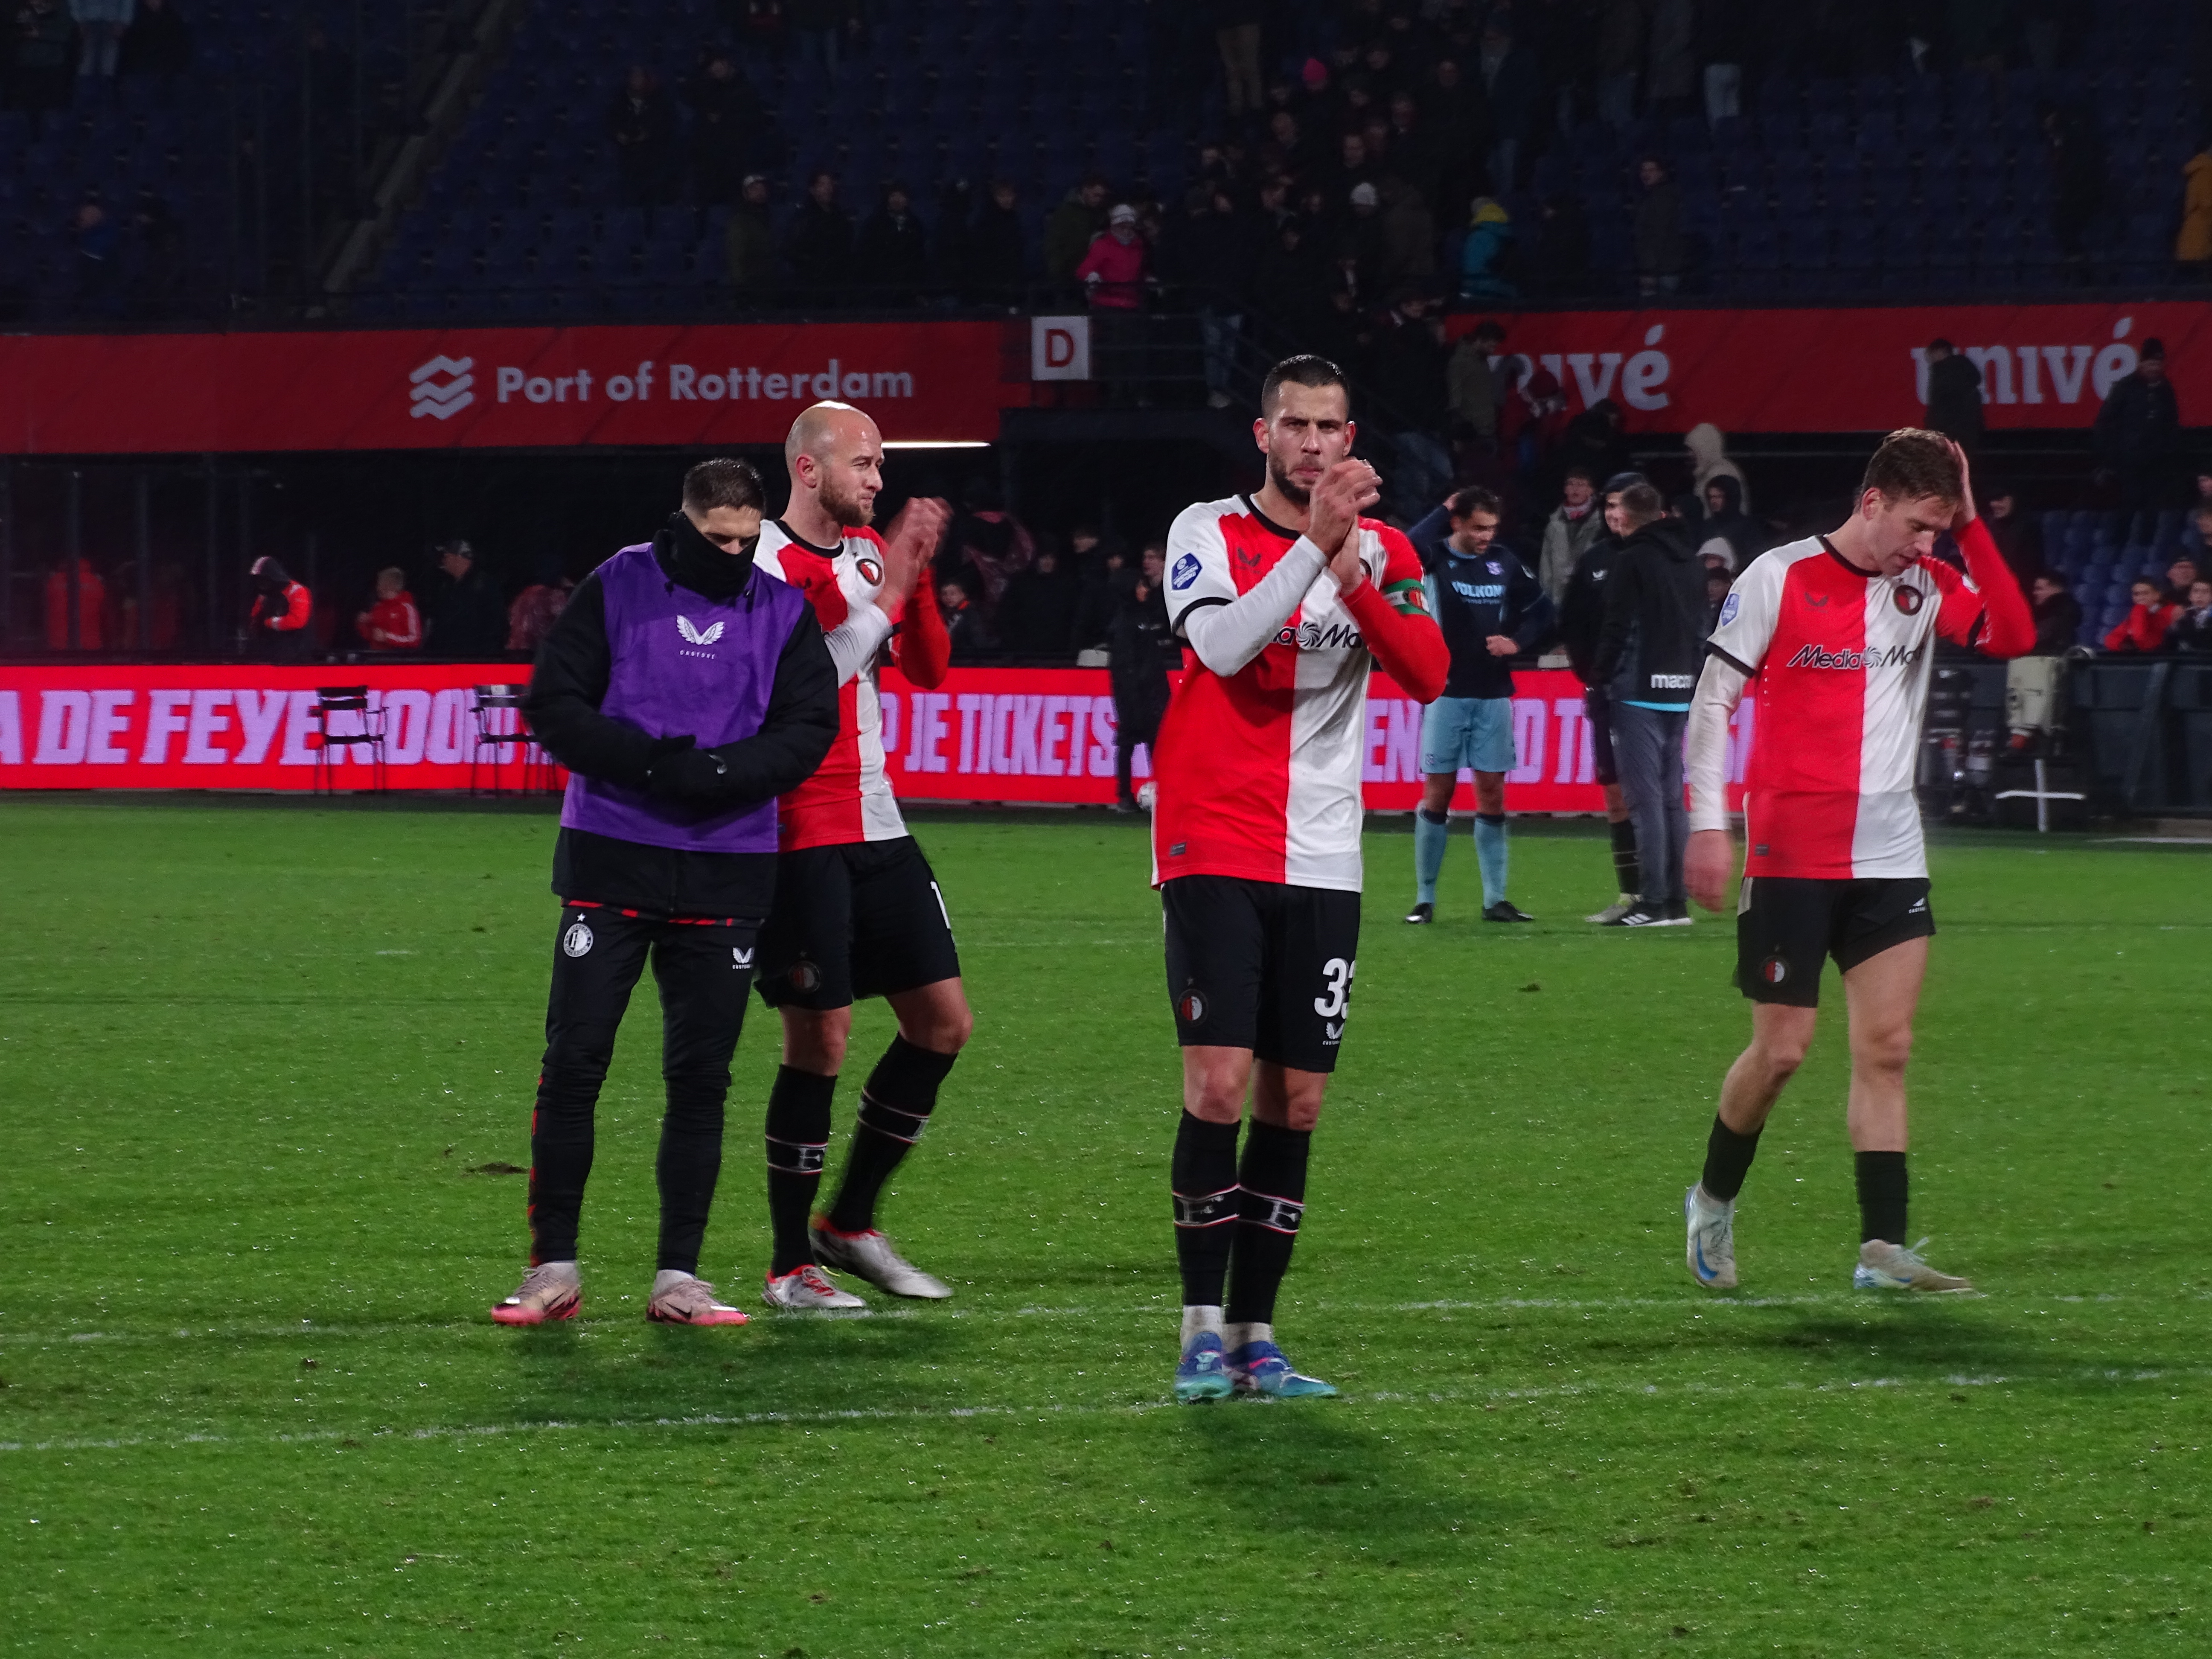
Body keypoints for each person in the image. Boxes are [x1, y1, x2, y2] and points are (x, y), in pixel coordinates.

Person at [1154, 355, 1448, 1403]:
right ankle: (1198, 1329)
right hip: (1212, 838)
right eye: (1294, 425)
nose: (1313, 443)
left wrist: (1354, 570)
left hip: (1323, 850)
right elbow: (1226, 647)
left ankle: (1256, 1335)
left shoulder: (1389, 549)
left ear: (1350, 433)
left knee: (1298, 1100)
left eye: (1329, 426)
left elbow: (1426, 671)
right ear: (1262, 435)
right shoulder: (1204, 531)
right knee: (1219, 1086)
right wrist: (1315, 549)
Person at [1679, 431, 2033, 1298]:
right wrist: (1707, 825)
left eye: (1939, 534)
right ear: (1872, 501)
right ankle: (1712, 1202)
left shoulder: (1928, 582)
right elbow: (1711, 704)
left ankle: (1882, 1249)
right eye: (1919, 525)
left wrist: (1971, 526)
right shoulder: (1780, 576)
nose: (1926, 546)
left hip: (1891, 854)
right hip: (1792, 852)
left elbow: (2016, 632)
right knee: (1784, 1053)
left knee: (1890, 1047)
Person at [495, 458, 839, 1328]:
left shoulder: (782, 612)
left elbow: (808, 729)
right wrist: (653, 763)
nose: (731, 552)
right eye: (716, 538)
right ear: (683, 523)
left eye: (745, 539)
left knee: (701, 1080)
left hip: (729, 870)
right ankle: (553, 1270)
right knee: (575, 1065)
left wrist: (720, 771)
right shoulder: (620, 585)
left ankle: (678, 1279)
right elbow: (554, 703)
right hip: (613, 859)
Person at [750, 402, 969, 1311]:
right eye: (865, 465)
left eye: (882, 467)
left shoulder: (873, 552)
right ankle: (788, 1262)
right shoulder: (762, 563)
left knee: (942, 1025)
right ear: (809, 470)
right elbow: (800, 686)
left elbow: (929, 671)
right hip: (796, 826)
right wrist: (884, 597)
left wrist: (913, 582)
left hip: (879, 818)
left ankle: (850, 1223)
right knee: (823, 1038)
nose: (878, 481)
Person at [1403, 486, 1552, 926]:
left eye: (1492, 527)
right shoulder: (1434, 557)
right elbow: (1406, 548)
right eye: (1478, 527)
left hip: (1492, 695)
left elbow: (1543, 611)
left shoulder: (1504, 563)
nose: (1487, 535)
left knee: (1491, 793)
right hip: (1445, 692)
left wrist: (1517, 641)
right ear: (1458, 523)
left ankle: (1495, 900)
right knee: (1439, 793)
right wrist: (1441, 509)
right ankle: (1424, 899)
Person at [1592, 481, 1705, 928]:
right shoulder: (1694, 564)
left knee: (1645, 801)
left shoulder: (1632, 560)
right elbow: (1702, 627)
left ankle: (1654, 900)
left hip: (1637, 689)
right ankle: (1676, 903)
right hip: (1681, 690)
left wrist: (1600, 677)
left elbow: (1617, 627)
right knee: (1674, 799)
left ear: (1631, 516)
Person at [1559, 474, 1648, 923]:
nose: (1616, 514)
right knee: (1615, 793)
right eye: (1610, 505)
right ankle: (1632, 894)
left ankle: (1662, 894)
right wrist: (1589, 674)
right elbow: (1571, 620)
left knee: (1652, 793)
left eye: (1623, 506)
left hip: (1651, 693)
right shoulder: (1595, 560)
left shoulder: (1659, 558)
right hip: (1606, 694)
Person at [1107, 544, 1175, 811]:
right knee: (1129, 741)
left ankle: (1161, 791)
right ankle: (1124, 795)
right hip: (1135, 696)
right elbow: (1125, 666)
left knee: (1154, 743)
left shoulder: (1144, 617)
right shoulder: (1126, 623)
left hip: (1152, 693)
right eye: (1140, 586)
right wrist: (1133, 697)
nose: (1145, 589)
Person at [2094, 338, 2183, 511]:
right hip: (2128, 465)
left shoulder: (2165, 390)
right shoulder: (2125, 387)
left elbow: (2172, 422)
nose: (2154, 369)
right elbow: (2105, 422)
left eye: (2157, 364)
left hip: (2156, 464)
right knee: (2129, 507)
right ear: (2141, 364)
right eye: (2150, 364)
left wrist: (2168, 449)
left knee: (2152, 510)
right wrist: (2111, 457)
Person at [605, 66, 678, 207]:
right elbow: (610, 124)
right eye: (634, 77)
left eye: (639, 77)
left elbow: (667, 126)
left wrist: (649, 135)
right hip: (629, 163)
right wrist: (618, 135)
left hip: (656, 163)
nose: (636, 81)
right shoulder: (620, 101)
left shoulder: (659, 100)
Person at [995, 542, 1079, 661]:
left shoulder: (1067, 584)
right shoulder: (1021, 582)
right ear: (1037, 559)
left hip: (1057, 652)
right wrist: (1014, 642)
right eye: (1044, 557)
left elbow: (1074, 617)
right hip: (1025, 651)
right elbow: (1005, 614)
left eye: (1051, 558)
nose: (1048, 562)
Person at [425, 539, 506, 658]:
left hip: (474, 659)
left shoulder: (485, 586)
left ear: (459, 558)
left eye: (446, 556)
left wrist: (486, 657)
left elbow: (495, 625)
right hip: (447, 659)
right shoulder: (446, 587)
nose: (443, 561)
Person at [1537, 467, 1603, 607]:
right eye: (1571, 484)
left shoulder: (1601, 524)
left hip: (1590, 598)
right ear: (1565, 489)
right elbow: (1546, 567)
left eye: (1581, 484)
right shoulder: (1554, 524)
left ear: (1591, 490)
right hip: (1559, 598)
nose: (1575, 489)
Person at [785, 170, 854, 299]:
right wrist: (813, 264)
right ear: (813, 190)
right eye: (822, 185)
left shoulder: (840, 217)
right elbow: (791, 249)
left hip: (836, 282)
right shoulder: (803, 218)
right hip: (811, 283)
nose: (827, 189)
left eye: (830, 185)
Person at [854, 181, 928, 302]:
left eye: (901, 196)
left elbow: (920, 256)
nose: (897, 200)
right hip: (881, 286)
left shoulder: (915, 224)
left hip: (908, 286)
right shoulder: (875, 223)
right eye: (894, 196)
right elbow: (867, 256)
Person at [1075, 203, 1148, 310]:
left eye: (1130, 227)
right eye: (1122, 227)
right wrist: (1091, 275)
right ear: (1113, 226)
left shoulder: (1139, 246)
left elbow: (1144, 270)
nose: (1126, 231)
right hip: (1106, 305)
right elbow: (1082, 270)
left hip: (1133, 305)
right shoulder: (1102, 245)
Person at [1922, 340, 1985, 454]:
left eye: (1931, 353)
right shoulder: (1965, 372)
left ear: (1940, 352)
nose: (1928, 357)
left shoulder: (1943, 374)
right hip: (1968, 431)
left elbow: (1940, 405)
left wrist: (1932, 427)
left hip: (1948, 431)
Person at [1633, 156, 1685, 295]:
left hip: (1662, 269)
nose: (1646, 174)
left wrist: (1649, 269)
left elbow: (1658, 235)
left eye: (1651, 170)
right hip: (1659, 267)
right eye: (1643, 170)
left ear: (1662, 173)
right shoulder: (1651, 198)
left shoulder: (1663, 199)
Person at [247, 555, 312, 662]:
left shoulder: (297, 591)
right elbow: (254, 617)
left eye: (263, 579)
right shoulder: (264, 594)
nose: (261, 583)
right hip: (267, 651)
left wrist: (270, 622)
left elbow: (298, 621)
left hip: (295, 654)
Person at [726, 174, 777, 302]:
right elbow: (736, 256)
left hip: (771, 280)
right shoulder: (740, 221)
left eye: (762, 189)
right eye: (754, 189)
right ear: (745, 194)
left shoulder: (771, 217)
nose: (760, 192)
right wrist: (741, 287)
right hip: (751, 283)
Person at [1982, 483, 2043, 587]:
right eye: (1993, 500)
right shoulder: (1989, 526)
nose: (1994, 505)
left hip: (2019, 587)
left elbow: (2031, 566)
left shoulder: (2029, 527)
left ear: (2014, 500)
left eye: (2000, 500)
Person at [42, 559, 108, 652]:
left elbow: (43, 610)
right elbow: (106, 614)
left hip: (57, 644)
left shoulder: (53, 582)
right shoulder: (97, 582)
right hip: (92, 644)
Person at [506, 565, 571, 656]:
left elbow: (511, 617)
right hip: (538, 653)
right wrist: (571, 589)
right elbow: (569, 622)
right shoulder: (554, 596)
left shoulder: (523, 595)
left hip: (515, 652)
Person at [2103, 579, 2180, 654]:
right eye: (2137, 594)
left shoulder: (2171, 611)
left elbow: (2140, 637)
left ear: (2157, 595)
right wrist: (2122, 646)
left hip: (2163, 657)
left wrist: (2139, 609)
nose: (2141, 598)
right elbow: (2111, 639)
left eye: (2146, 593)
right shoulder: (2136, 613)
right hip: (2140, 659)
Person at [1685, 421, 1748, 511]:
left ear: (1705, 449)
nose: (1689, 455)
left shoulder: (1723, 473)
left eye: (1693, 450)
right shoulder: (1706, 472)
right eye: (1689, 450)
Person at [357, 567, 422, 652]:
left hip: (398, 659)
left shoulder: (407, 609)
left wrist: (387, 638)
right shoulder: (378, 608)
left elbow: (415, 640)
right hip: (376, 657)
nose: (377, 588)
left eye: (380, 583)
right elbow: (369, 636)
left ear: (388, 585)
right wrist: (363, 623)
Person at [2028, 572, 2083, 654]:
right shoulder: (2046, 611)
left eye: (2039, 589)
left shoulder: (2064, 613)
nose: (2035, 593)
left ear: (2056, 589)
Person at [2168, 579, 2212, 652]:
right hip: (2187, 658)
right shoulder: (2183, 615)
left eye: (2205, 592)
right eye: (2196, 591)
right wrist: (2174, 624)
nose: (2200, 596)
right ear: (2190, 596)